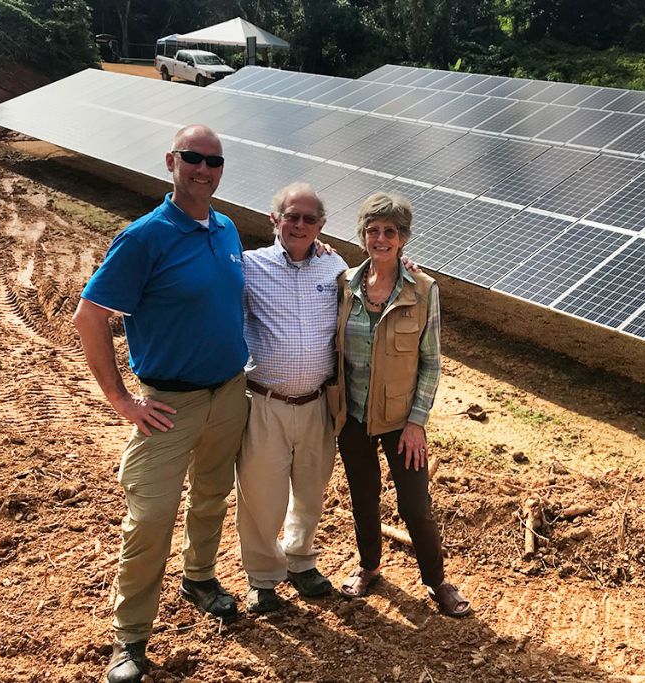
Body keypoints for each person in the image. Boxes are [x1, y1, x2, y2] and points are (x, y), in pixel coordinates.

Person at [72, 124, 249, 683]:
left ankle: (199, 577)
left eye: (214, 161)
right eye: (193, 158)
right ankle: (130, 638)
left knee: (212, 495)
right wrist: (121, 400)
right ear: (172, 161)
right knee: (150, 518)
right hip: (168, 405)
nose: (204, 169)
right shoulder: (145, 237)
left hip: (229, 392)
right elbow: (89, 317)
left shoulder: (225, 229)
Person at [330, 192, 471, 618]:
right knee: (363, 497)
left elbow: (430, 362)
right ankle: (369, 566)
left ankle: (437, 581)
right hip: (352, 417)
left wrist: (416, 422)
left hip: (401, 420)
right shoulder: (345, 285)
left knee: (414, 507)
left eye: (389, 231)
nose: (380, 238)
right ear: (363, 236)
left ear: (403, 237)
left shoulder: (424, 290)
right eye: (372, 230)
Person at [235, 183, 347, 612]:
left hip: (317, 404)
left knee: (310, 492)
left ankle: (300, 560)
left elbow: (371, 285)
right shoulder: (250, 266)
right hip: (266, 403)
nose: (300, 225)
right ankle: (263, 577)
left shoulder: (334, 266)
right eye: (291, 216)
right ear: (274, 219)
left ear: (321, 225)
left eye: (309, 219)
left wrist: (402, 263)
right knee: (261, 496)